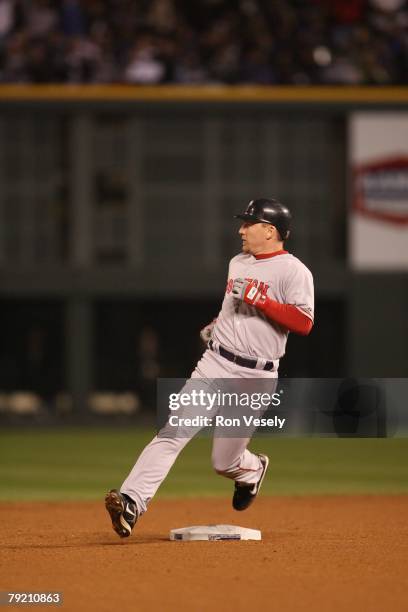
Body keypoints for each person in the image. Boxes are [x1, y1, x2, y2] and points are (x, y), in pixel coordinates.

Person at [105, 198, 314, 538]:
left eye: (249, 223)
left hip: (256, 376)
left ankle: (252, 469)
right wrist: (218, 324)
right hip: (214, 364)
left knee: (223, 462)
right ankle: (132, 501)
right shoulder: (238, 262)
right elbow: (233, 308)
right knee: (173, 432)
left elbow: (304, 322)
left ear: (270, 231)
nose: (241, 229)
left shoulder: (295, 271)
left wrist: (265, 300)